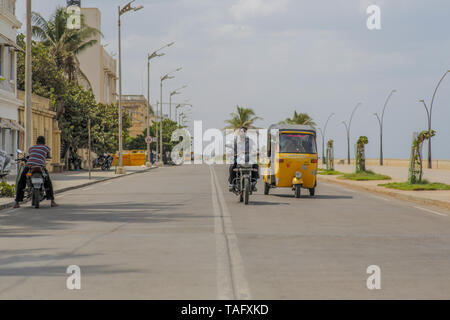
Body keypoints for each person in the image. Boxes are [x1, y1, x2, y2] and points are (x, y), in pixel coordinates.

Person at [14, 136, 57, 208]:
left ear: (36, 142)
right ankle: (52, 201)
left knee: (21, 181)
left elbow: (30, 155)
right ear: (44, 142)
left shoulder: (31, 148)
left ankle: (17, 202)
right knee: (47, 181)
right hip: (40, 166)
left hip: (29, 166)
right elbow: (48, 156)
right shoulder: (46, 148)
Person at [228, 126, 259, 191]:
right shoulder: (235, 140)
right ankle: (231, 184)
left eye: (245, 131)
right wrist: (231, 153)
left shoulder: (249, 140)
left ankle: (253, 182)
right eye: (242, 131)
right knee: (232, 167)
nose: (243, 132)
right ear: (239, 132)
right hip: (237, 157)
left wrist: (257, 152)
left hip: (248, 157)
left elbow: (254, 148)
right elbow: (230, 148)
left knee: (255, 165)